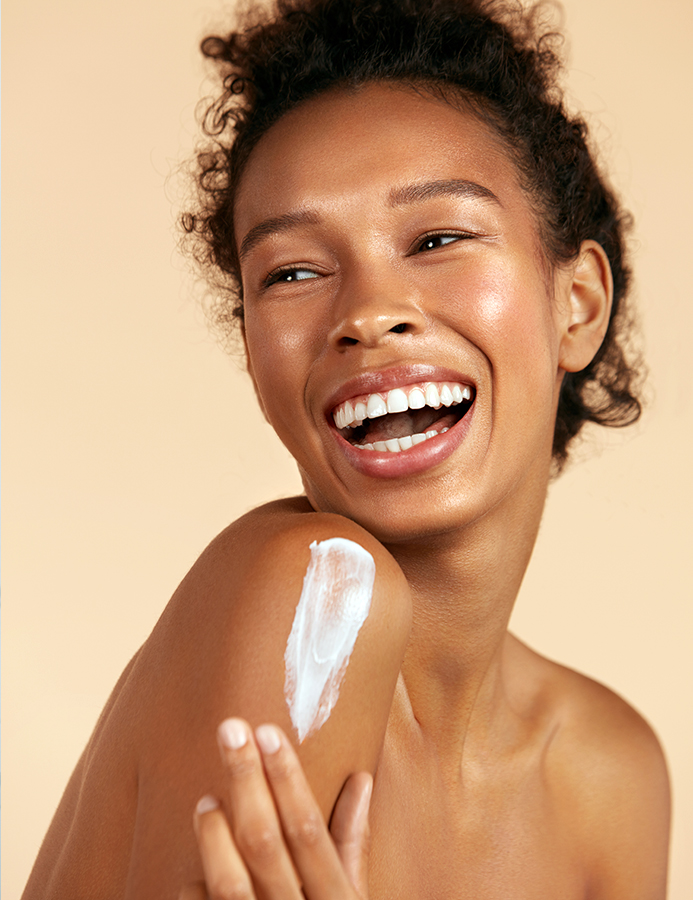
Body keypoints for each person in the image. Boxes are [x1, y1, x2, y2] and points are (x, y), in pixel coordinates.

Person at [22, 0, 671, 897]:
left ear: (579, 304)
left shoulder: (613, 769)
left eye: (437, 238)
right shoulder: (313, 591)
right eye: (291, 272)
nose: (367, 312)